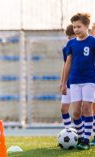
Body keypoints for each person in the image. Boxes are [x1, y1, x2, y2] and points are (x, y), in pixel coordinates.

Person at [61, 13, 95, 150]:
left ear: (87, 26)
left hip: (89, 80)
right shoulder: (71, 43)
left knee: (87, 108)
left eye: (79, 27)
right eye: (74, 27)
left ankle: (86, 139)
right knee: (75, 112)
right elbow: (67, 64)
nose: (76, 30)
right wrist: (64, 83)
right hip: (74, 81)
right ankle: (80, 136)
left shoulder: (93, 41)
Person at [60, 24, 76, 130]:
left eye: (72, 37)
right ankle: (68, 130)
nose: (70, 40)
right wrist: (62, 82)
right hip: (69, 83)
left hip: (79, 82)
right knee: (63, 109)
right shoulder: (66, 49)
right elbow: (65, 65)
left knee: (79, 111)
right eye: (68, 38)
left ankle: (83, 134)